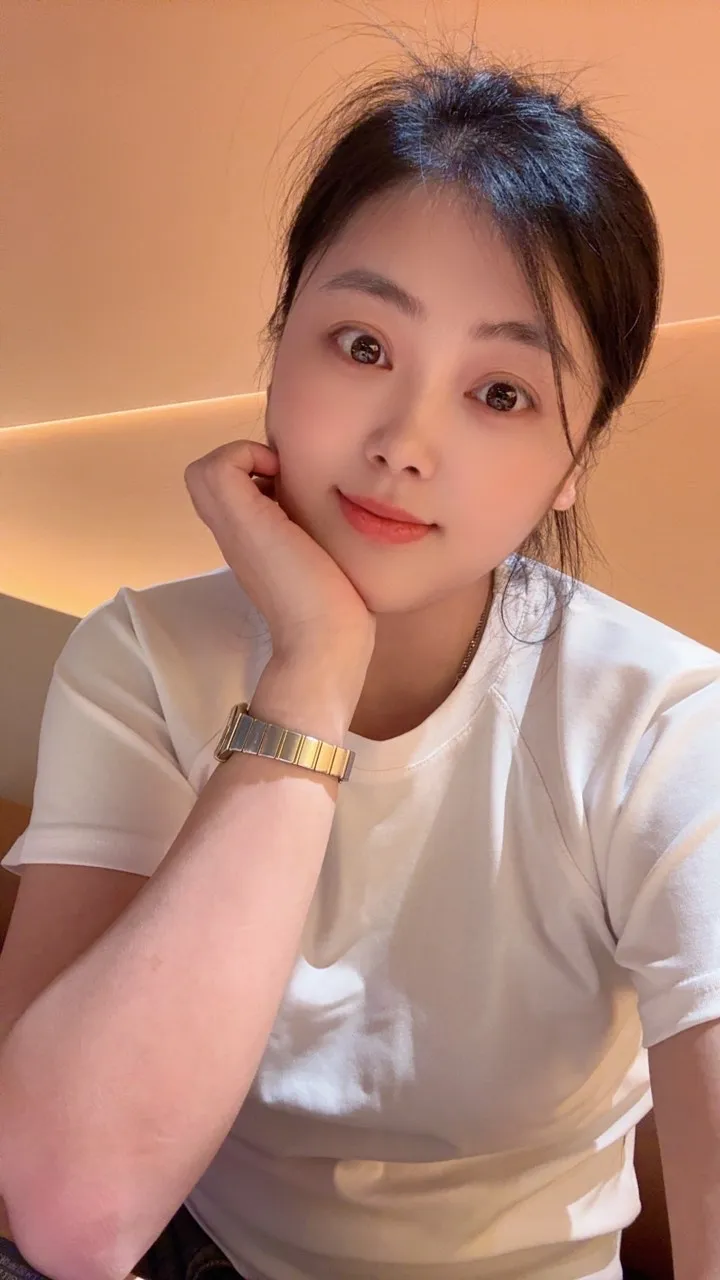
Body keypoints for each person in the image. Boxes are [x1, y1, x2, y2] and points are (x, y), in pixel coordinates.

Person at [0, 44, 718, 1280]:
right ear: (281, 342)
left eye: (501, 393)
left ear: (576, 459)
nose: (404, 443)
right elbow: (72, 1212)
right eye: (364, 345)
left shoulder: (661, 723)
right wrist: (314, 668)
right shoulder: (145, 659)